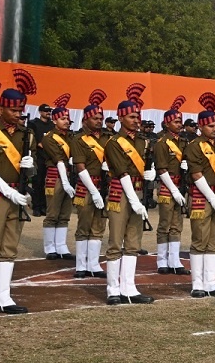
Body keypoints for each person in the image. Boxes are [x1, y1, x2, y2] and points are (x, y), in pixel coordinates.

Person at [102, 91, 156, 305]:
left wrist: (149, 176)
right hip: (121, 193)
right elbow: (122, 171)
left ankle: (129, 287)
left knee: (133, 241)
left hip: (140, 191)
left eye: (138, 116)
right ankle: (112, 289)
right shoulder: (114, 142)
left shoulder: (143, 142)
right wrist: (133, 200)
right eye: (132, 116)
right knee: (116, 241)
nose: (136, 120)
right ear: (121, 117)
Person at [0, 71, 38, 314]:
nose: (19, 114)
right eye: (14, 110)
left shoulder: (26, 135)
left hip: (17, 195)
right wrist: (7, 193)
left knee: (9, 246)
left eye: (21, 110)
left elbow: (32, 169)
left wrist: (30, 171)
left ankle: (3, 296)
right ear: (2, 107)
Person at [184, 95, 215, 298]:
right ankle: (197, 283)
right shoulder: (194, 146)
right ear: (201, 126)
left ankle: (211, 282)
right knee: (199, 239)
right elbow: (196, 174)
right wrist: (212, 198)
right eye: (211, 125)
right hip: (202, 195)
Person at [72, 90, 110, 280]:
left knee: (98, 225)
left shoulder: (107, 138)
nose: (98, 121)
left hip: (104, 185)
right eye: (95, 118)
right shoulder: (78, 139)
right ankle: (81, 265)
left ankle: (93, 264)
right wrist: (94, 191)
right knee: (84, 225)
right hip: (87, 187)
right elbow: (80, 166)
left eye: (100, 117)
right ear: (85, 119)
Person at [153, 96, 190, 275]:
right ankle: (162, 260)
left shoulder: (183, 142)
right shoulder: (162, 143)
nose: (179, 124)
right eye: (176, 121)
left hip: (181, 187)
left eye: (180, 121)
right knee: (165, 224)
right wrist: (174, 190)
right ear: (167, 124)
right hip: (168, 187)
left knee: (177, 225)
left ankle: (174, 260)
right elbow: (161, 169)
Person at [39, 97, 77, 261]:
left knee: (65, 213)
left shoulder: (70, 136)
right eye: (63, 118)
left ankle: (61, 246)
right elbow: (58, 159)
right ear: (55, 120)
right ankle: (50, 247)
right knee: (53, 213)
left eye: (67, 118)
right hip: (55, 176)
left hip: (69, 174)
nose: (66, 121)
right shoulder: (49, 138)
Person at [27, 102, 53, 216]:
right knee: (38, 182)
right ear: (40, 112)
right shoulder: (34, 124)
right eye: (46, 111)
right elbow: (30, 138)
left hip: (49, 157)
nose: (48, 113)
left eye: (49, 111)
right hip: (38, 157)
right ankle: (36, 206)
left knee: (48, 183)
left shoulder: (52, 125)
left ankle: (44, 206)